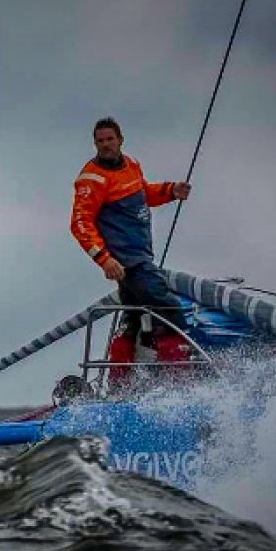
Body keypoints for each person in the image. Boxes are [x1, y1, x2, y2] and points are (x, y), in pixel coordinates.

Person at [70, 117, 192, 385]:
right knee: (168, 308)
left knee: (134, 317)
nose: (105, 145)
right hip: (127, 262)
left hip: (141, 254)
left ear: (120, 140)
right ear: (95, 144)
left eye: (110, 139)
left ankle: (119, 385)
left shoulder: (132, 164)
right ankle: (180, 383)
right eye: (100, 141)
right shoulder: (91, 179)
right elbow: (79, 224)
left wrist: (172, 191)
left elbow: (144, 194)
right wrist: (104, 259)